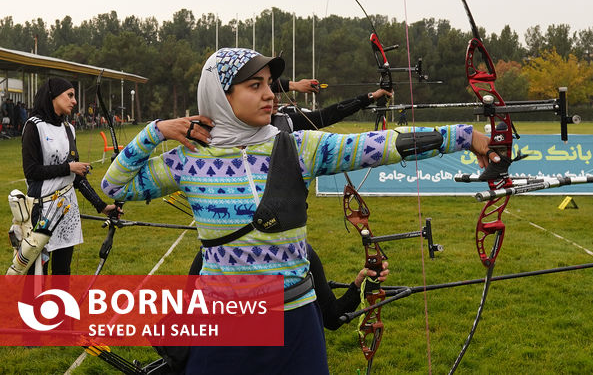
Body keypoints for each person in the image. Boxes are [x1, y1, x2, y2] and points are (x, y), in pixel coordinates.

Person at [101, 48, 496, 374]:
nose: (269, 94)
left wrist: (465, 136)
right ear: (221, 96)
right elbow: (113, 185)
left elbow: (377, 144)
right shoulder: (188, 158)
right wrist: (156, 131)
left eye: (269, 85)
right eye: (254, 86)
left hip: (296, 321)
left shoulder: (297, 146)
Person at [21, 77, 120, 275]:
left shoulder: (69, 128)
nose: (74, 101)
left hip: (67, 211)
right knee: (36, 276)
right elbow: (31, 171)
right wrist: (68, 168)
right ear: (53, 96)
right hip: (42, 209)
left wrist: (101, 206)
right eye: (70, 95)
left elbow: (77, 176)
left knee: (62, 272)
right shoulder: (34, 126)